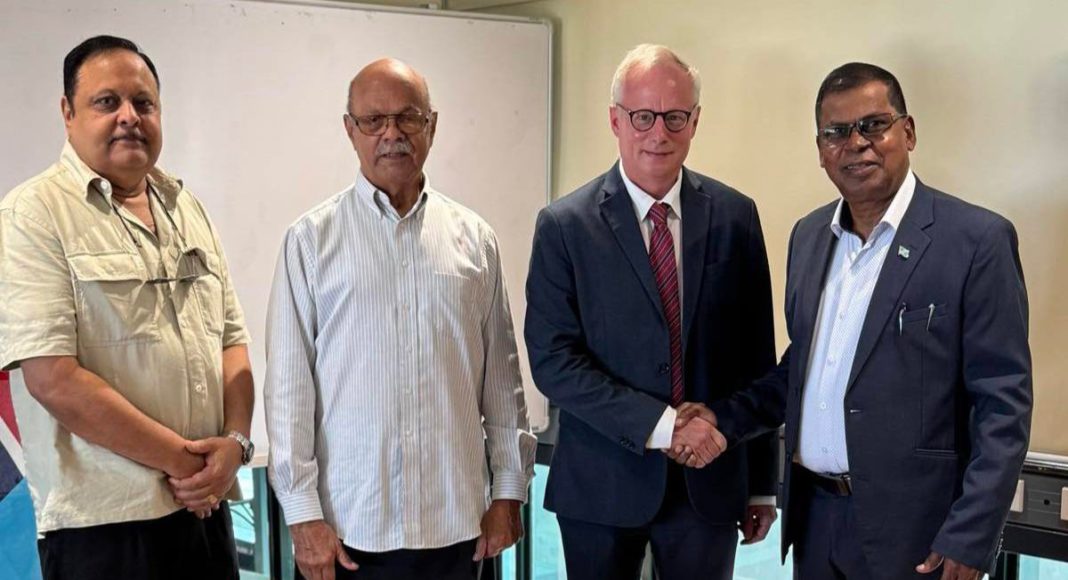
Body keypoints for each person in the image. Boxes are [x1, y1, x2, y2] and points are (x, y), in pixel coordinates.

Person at [702, 62, 1032, 580]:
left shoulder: (976, 242)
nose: (856, 144)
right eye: (836, 132)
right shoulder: (808, 238)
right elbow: (801, 371)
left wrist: (971, 536)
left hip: (918, 536)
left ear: (909, 131)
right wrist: (721, 419)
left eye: (874, 125)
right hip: (814, 522)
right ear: (819, 149)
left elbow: (1003, 404)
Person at [264, 58, 536, 580]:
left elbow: (502, 383)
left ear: (431, 126)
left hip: (458, 527)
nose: (392, 134)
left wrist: (508, 492)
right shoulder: (310, 241)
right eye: (373, 121)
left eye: (408, 118)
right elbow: (289, 393)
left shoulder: (474, 240)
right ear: (351, 130)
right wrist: (302, 518)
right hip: (348, 530)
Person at [0, 35, 255, 580]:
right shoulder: (33, 214)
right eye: (106, 101)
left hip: (203, 512)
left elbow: (232, 340)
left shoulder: (187, 208)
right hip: (105, 527)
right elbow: (53, 379)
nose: (128, 117)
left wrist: (234, 444)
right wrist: (189, 465)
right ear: (68, 113)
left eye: (143, 103)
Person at [523, 44, 779, 580]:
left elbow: (756, 359)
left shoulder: (736, 216)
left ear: (695, 122)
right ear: (615, 120)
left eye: (674, 117)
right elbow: (553, 361)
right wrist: (662, 426)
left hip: (708, 485)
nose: (658, 133)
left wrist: (760, 483)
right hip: (601, 486)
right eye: (642, 116)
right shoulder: (564, 226)